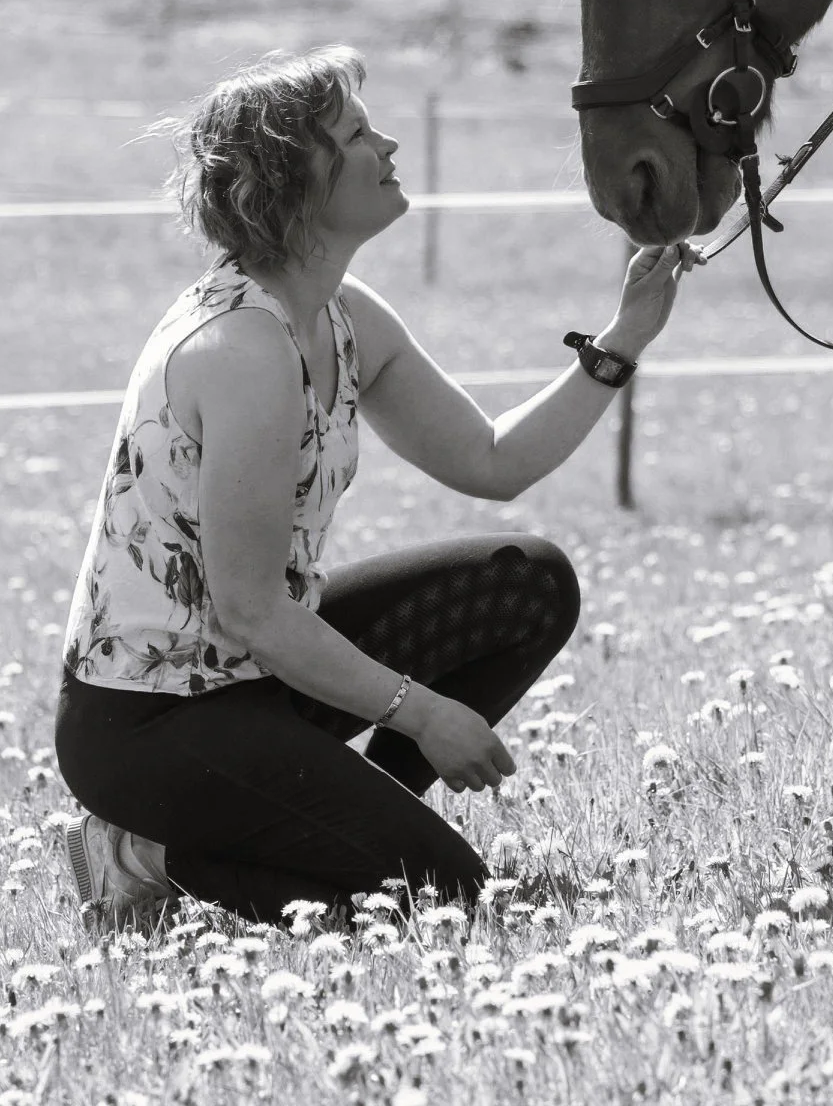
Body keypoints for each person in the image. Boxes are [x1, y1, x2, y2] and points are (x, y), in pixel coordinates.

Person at [55, 45, 697, 929]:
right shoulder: (240, 348)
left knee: (528, 580)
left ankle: (344, 820)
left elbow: (491, 460)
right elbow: (248, 610)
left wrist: (626, 335)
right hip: (155, 727)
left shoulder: (343, 312)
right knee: (443, 901)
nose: (388, 143)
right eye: (357, 134)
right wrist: (425, 712)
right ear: (293, 181)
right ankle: (144, 852)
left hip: (255, 681)